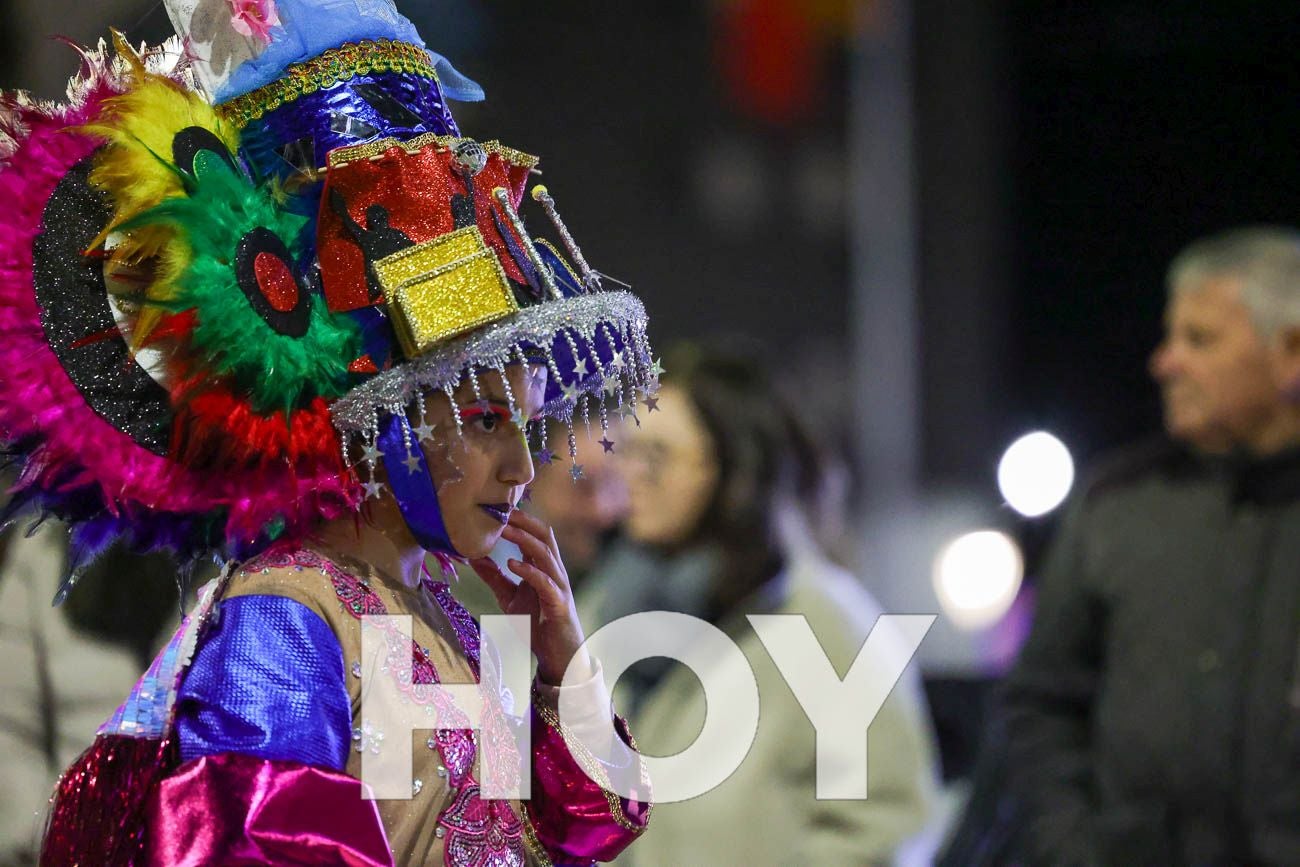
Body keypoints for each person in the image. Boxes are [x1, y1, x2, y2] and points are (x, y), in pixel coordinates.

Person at [0, 2, 655, 863]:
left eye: (528, 425)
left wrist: (562, 657)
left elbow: (587, 824)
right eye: (487, 420)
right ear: (388, 422)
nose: (523, 466)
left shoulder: (446, 615)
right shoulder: (284, 617)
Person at [1002, 226, 1300, 865]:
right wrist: (1073, 849)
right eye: (1170, 338)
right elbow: (1040, 705)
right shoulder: (1117, 506)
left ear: (1292, 351)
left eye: (1200, 340)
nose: (1165, 363)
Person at [577, 345, 941, 865]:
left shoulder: (825, 627)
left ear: (735, 472)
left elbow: (882, 834)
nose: (631, 474)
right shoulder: (607, 609)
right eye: (630, 451)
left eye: (657, 457)